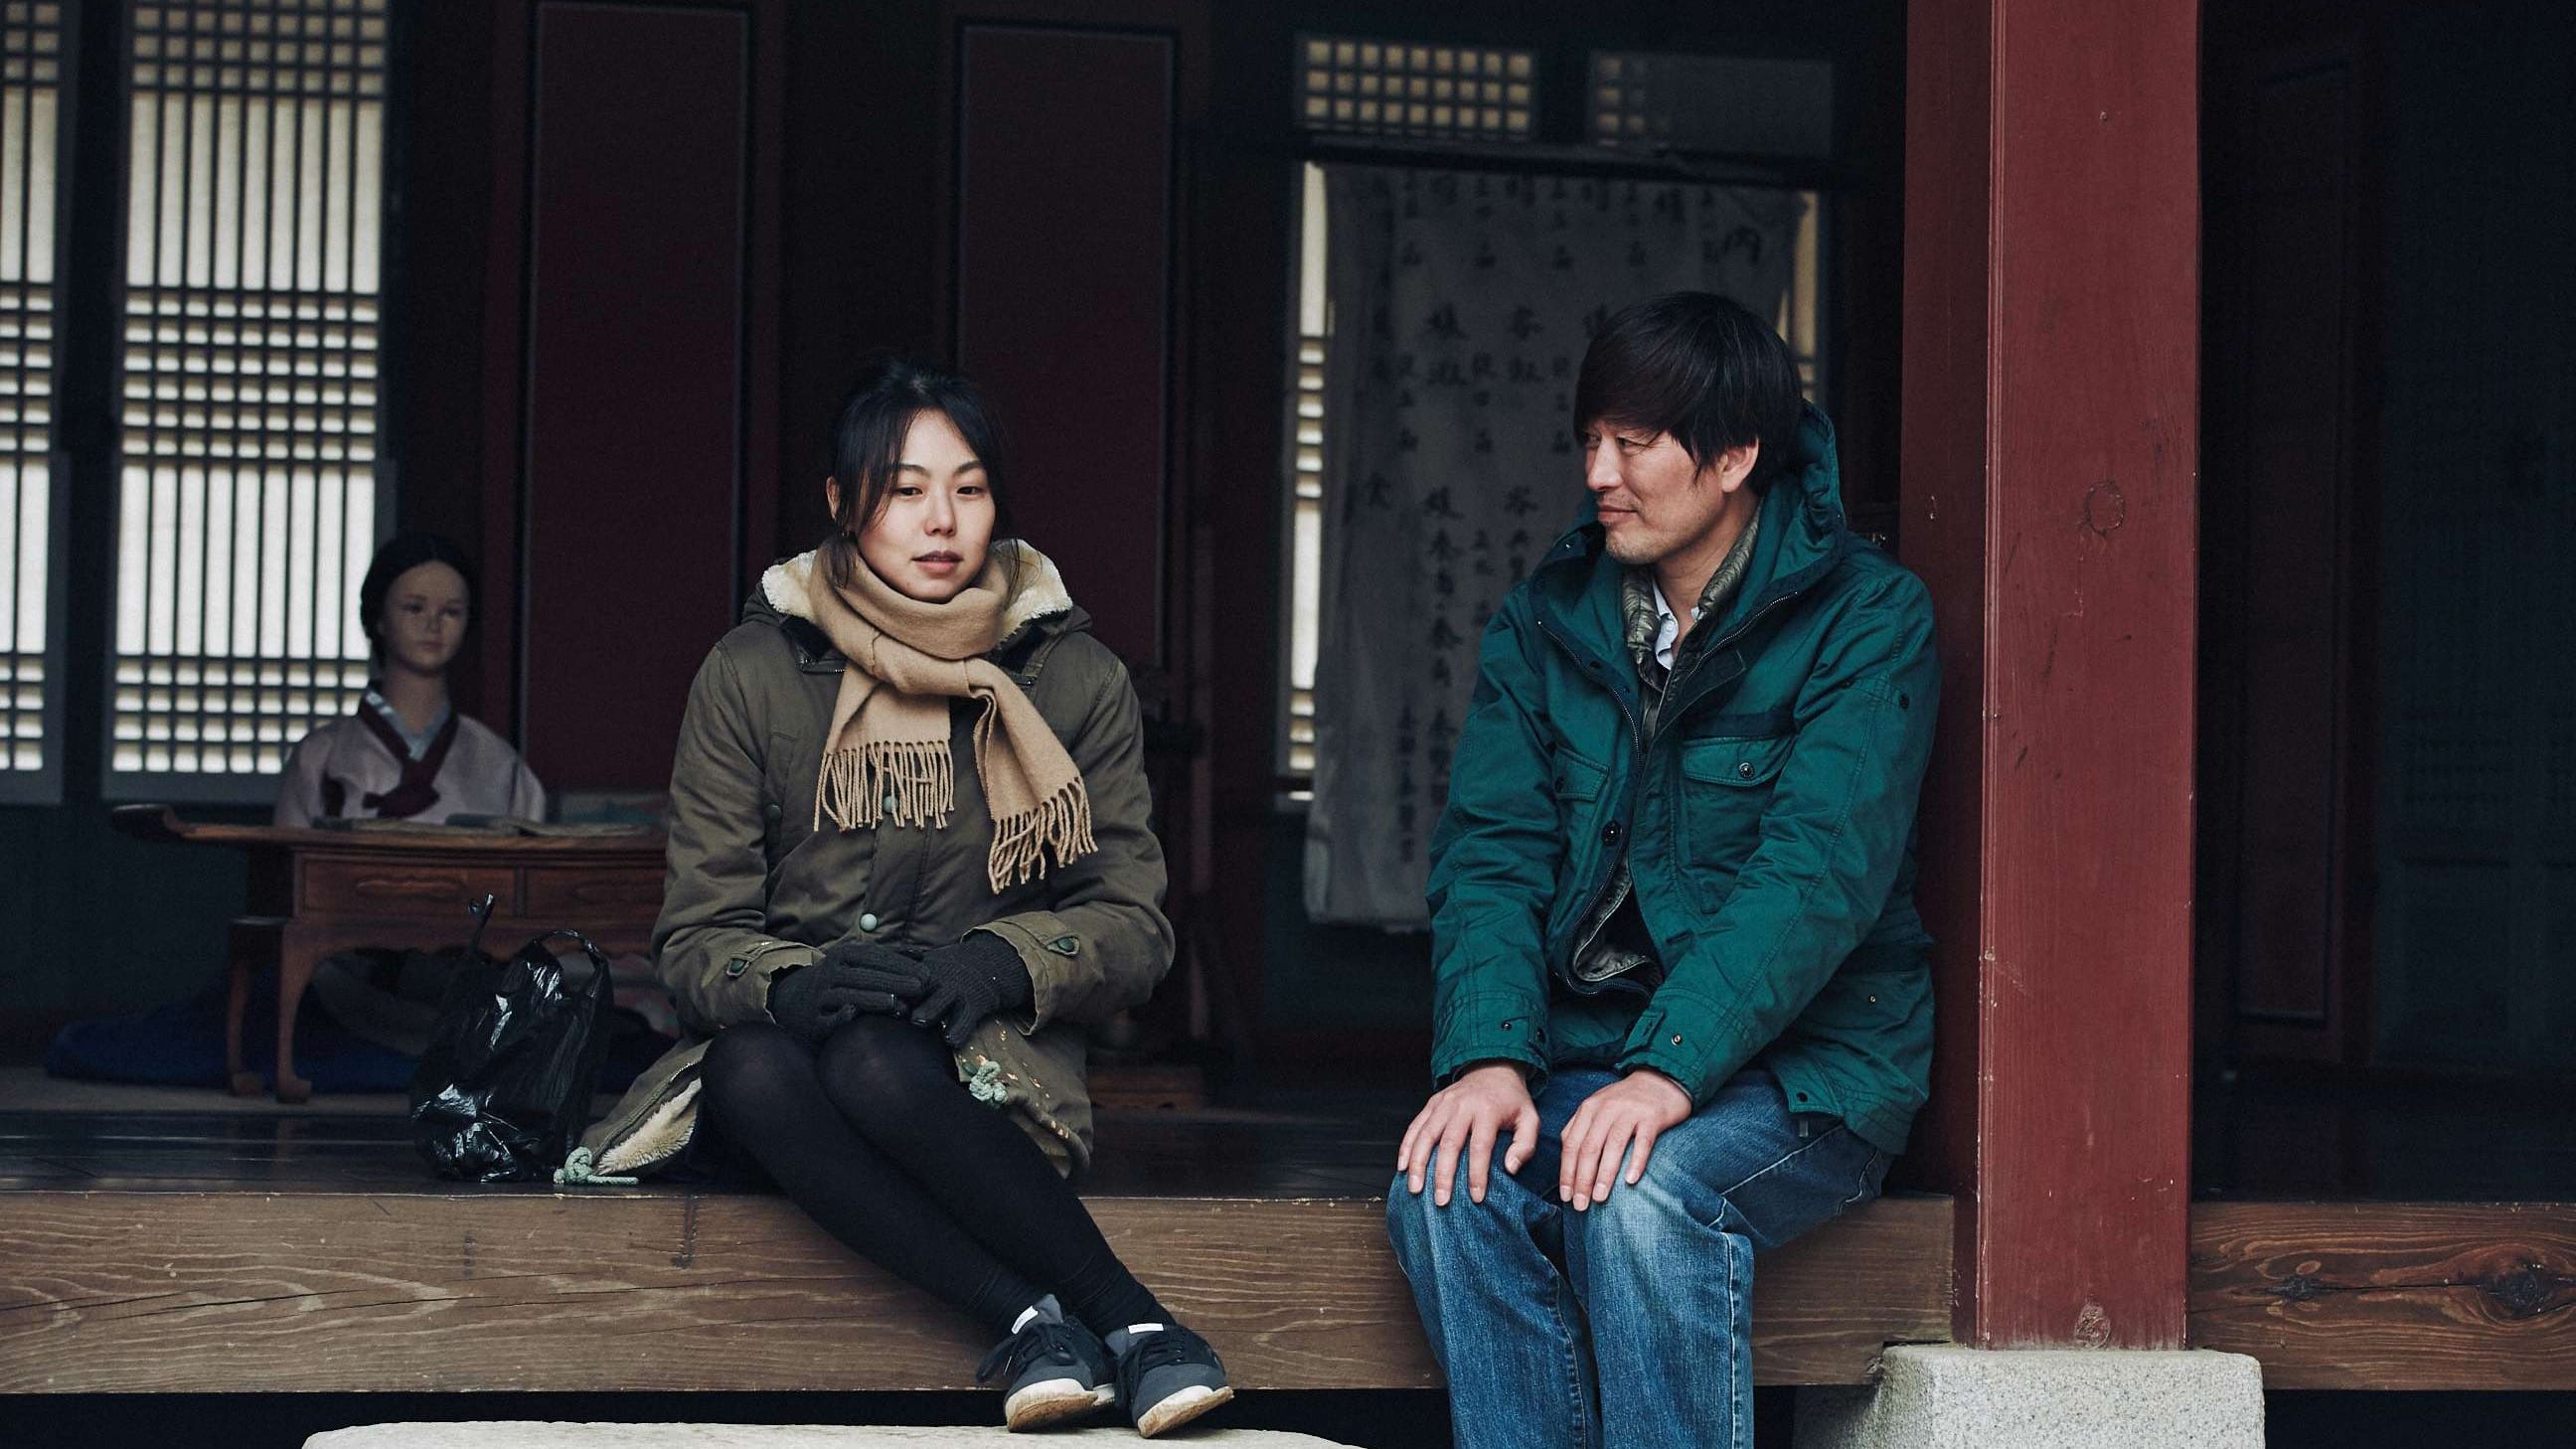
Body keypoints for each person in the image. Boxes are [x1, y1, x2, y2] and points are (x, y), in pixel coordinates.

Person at [573, 359, 1230, 1437]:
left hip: (982, 1080)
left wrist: (1000, 963)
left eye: (969, 489)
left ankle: (1097, 1322)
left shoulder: (1074, 678)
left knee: (878, 1060)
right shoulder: (752, 672)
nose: (942, 521)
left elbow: (1133, 924)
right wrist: (792, 984)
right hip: (790, 1083)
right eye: (904, 490)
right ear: (842, 503)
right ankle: (1071, 1323)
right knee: (750, 1067)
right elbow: (696, 935)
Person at [1383, 293, 1941, 1449]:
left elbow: (1815, 875)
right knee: (1446, 1186)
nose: (1600, 474)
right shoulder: (1546, 621)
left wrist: (1668, 1070)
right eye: (1591, 440)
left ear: (1734, 459)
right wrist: (1490, 1057)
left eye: (1634, 445)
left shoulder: (1869, 618)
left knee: (1645, 1196)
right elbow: (1491, 852)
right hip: (1594, 1052)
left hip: (1807, 1072)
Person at [273, 532, 545, 828]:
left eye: (451, 612)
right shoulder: (320, 756)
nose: (433, 624)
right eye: (414, 608)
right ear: (379, 618)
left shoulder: (500, 764)